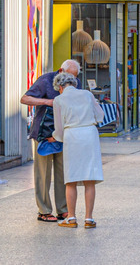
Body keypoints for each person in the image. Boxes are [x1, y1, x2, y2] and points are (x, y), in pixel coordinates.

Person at [20, 59, 82, 223]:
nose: (72, 82)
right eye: (69, 77)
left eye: (74, 78)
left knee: (64, 174)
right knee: (43, 174)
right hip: (44, 133)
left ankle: (63, 210)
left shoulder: (76, 82)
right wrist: (48, 101)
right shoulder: (46, 80)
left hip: (64, 134)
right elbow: (25, 99)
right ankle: (44, 210)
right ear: (61, 71)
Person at [51, 72, 104, 229]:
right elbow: (100, 115)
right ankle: (89, 219)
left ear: (60, 87)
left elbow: (59, 126)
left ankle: (72, 218)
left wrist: (57, 138)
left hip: (72, 135)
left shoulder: (58, 99)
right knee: (89, 178)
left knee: (71, 179)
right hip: (89, 134)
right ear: (73, 83)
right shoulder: (87, 94)